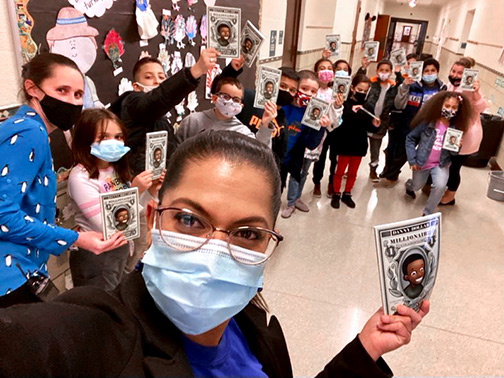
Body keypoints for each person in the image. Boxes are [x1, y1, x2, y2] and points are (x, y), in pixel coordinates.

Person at [0, 131, 430, 376]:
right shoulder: (98, 335)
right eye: (189, 220)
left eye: (246, 233)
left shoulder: (256, 328)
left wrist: (364, 349)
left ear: (269, 242)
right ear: (153, 221)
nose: (213, 250)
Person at [0, 53, 125, 307]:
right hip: (12, 275)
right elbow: (3, 216)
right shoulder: (29, 131)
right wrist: (75, 239)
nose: (71, 101)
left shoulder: (26, 128)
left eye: (78, 95)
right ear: (32, 88)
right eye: (62, 90)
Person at [67, 109, 163, 291]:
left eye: (118, 137)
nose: (113, 143)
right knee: (98, 308)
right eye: (103, 137)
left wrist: (150, 191)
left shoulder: (115, 170)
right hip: (96, 255)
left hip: (120, 249)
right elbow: (108, 225)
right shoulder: (80, 177)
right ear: (86, 139)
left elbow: (132, 216)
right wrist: (135, 190)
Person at [110, 49, 217, 176]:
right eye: (148, 77)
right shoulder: (131, 103)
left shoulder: (163, 122)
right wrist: (195, 71)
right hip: (135, 184)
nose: (157, 81)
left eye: (161, 77)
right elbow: (157, 99)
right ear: (136, 86)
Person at [376, 58, 447, 187]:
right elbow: (399, 104)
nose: (429, 73)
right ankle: (391, 175)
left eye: (432, 71)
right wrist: (405, 86)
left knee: (426, 153)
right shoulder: (413, 85)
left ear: (438, 72)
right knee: (401, 152)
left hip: (430, 127)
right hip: (409, 124)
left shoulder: (442, 89)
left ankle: (423, 183)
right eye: (426, 71)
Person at [405, 91, 472, 215]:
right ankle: (409, 185)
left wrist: (457, 146)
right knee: (416, 186)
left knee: (440, 186)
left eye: (454, 107)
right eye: (447, 106)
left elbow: (453, 154)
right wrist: (412, 158)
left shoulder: (455, 128)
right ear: (440, 105)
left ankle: (428, 212)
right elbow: (410, 138)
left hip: (441, 164)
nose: (450, 110)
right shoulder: (427, 122)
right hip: (422, 162)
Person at [281, 70, 330, 218]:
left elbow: (311, 144)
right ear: (296, 88)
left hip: (296, 156)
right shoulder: (283, 106)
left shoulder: (311, 113)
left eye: (313, 91)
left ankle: (293, 201)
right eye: (304, 89)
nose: (308, 93)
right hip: (277, 155)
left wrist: (320, 127)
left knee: (298, 177)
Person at [440, 57, 487, 206]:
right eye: (453, 71)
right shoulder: (449, 86)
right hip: (449, 132)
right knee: (445, 163)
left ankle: (450, 196)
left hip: (466, 135)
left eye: (460, 73)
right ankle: (443, 188)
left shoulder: (472, 89)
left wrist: (476, 93)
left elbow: (482, 107)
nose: (455, 75)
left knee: (455, 167)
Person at [176, 77, 274, 146]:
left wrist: (265, 125)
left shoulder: (242, 132)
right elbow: (175, 151)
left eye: (236, 100)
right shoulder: (193, 121)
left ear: (241, 106)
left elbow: (261, 155)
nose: (230, 102)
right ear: (214, 98)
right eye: (226, 97)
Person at [330, 74, 380, 209]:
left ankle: (347, 193)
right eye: (359, 89)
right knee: (339, 171)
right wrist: (342, 108)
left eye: (365, 91)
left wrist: (375, 125)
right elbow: (340, 122)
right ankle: (336, 193)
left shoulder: (367, 106)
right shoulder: (345, 103)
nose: (362, 93)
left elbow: (369, 127)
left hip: (359, 145)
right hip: (344, 143)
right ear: (352, 88)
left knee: (352, 172)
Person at [365, 59, 403, 182]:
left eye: (387, 70)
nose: (384, 73)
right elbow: (358, 82)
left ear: (390, 72)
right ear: (377, 71)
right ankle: (348, 169)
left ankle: (373, 169)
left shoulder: (392, 88)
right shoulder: (371, 84)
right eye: (381, 70)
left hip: (381, 124)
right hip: (365, 121)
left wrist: (398, 73)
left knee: (375, 149)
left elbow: (402, 88)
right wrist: (363, 68)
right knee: (357, 146)